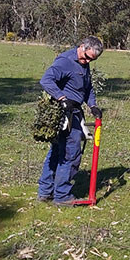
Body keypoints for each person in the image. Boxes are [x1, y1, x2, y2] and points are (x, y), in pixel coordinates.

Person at [37, 36, 104, 206]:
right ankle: (62, 196)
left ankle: (45, 192)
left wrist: (93, 105)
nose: (87, 61)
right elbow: (46, 80)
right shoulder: (65, 61)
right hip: (65, 113)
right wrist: (61, 98)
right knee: (70, 154)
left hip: (75, 111)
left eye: (91, 60)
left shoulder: (84, 63)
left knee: (58, 151)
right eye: (86, 57)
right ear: (81, 46)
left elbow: (87, 87)